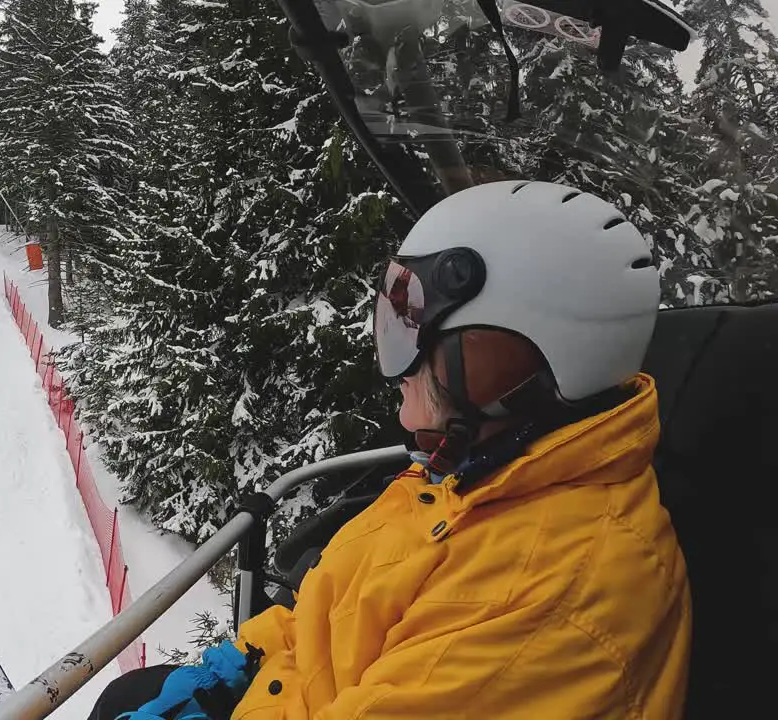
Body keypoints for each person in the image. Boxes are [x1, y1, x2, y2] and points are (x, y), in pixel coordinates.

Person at [90, 181, 691, 719]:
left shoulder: (552, 590)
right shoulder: (468, 482)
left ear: (494, 360)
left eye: (412, 333)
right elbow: (332, 620)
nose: (396, 366)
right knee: (129, 693)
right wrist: (232, 674)